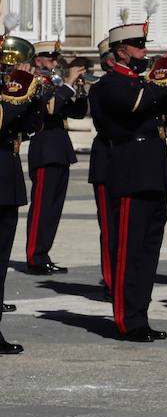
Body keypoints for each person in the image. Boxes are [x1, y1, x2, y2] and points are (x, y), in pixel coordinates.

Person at [90, 20, 167, 342]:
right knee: (129, 251)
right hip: (129, 172)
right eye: (140, 46)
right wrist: (162, 75)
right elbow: (135, 106)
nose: (145, 52)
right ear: (121, 51)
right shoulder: (108, 85)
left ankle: (140, 317)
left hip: (153, 174)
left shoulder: (142, 83)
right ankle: (126, 320)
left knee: (148, 252)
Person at [0, 33, 46, 353]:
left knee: (0, 262)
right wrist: (16, 92)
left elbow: (29, 127)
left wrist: (35, 95)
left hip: (7, 179)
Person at [25, 40, 86, 275]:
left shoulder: (55, 83)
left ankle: (43, 253)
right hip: (44, 150)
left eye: (56, 59)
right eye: (50, 58)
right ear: (38, 60)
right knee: (42, 207)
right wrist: (69, 84)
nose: (55, 63)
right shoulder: (34, 83)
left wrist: (79, 91)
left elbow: (76, 112)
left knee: (53, 209)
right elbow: (50, 108)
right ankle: (34, 256)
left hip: (59, 151)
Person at [88, 38, 115, 298]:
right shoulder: (100, 89)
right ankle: (111, 278)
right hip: (107, 162)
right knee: (109, 227)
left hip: (129, 166)